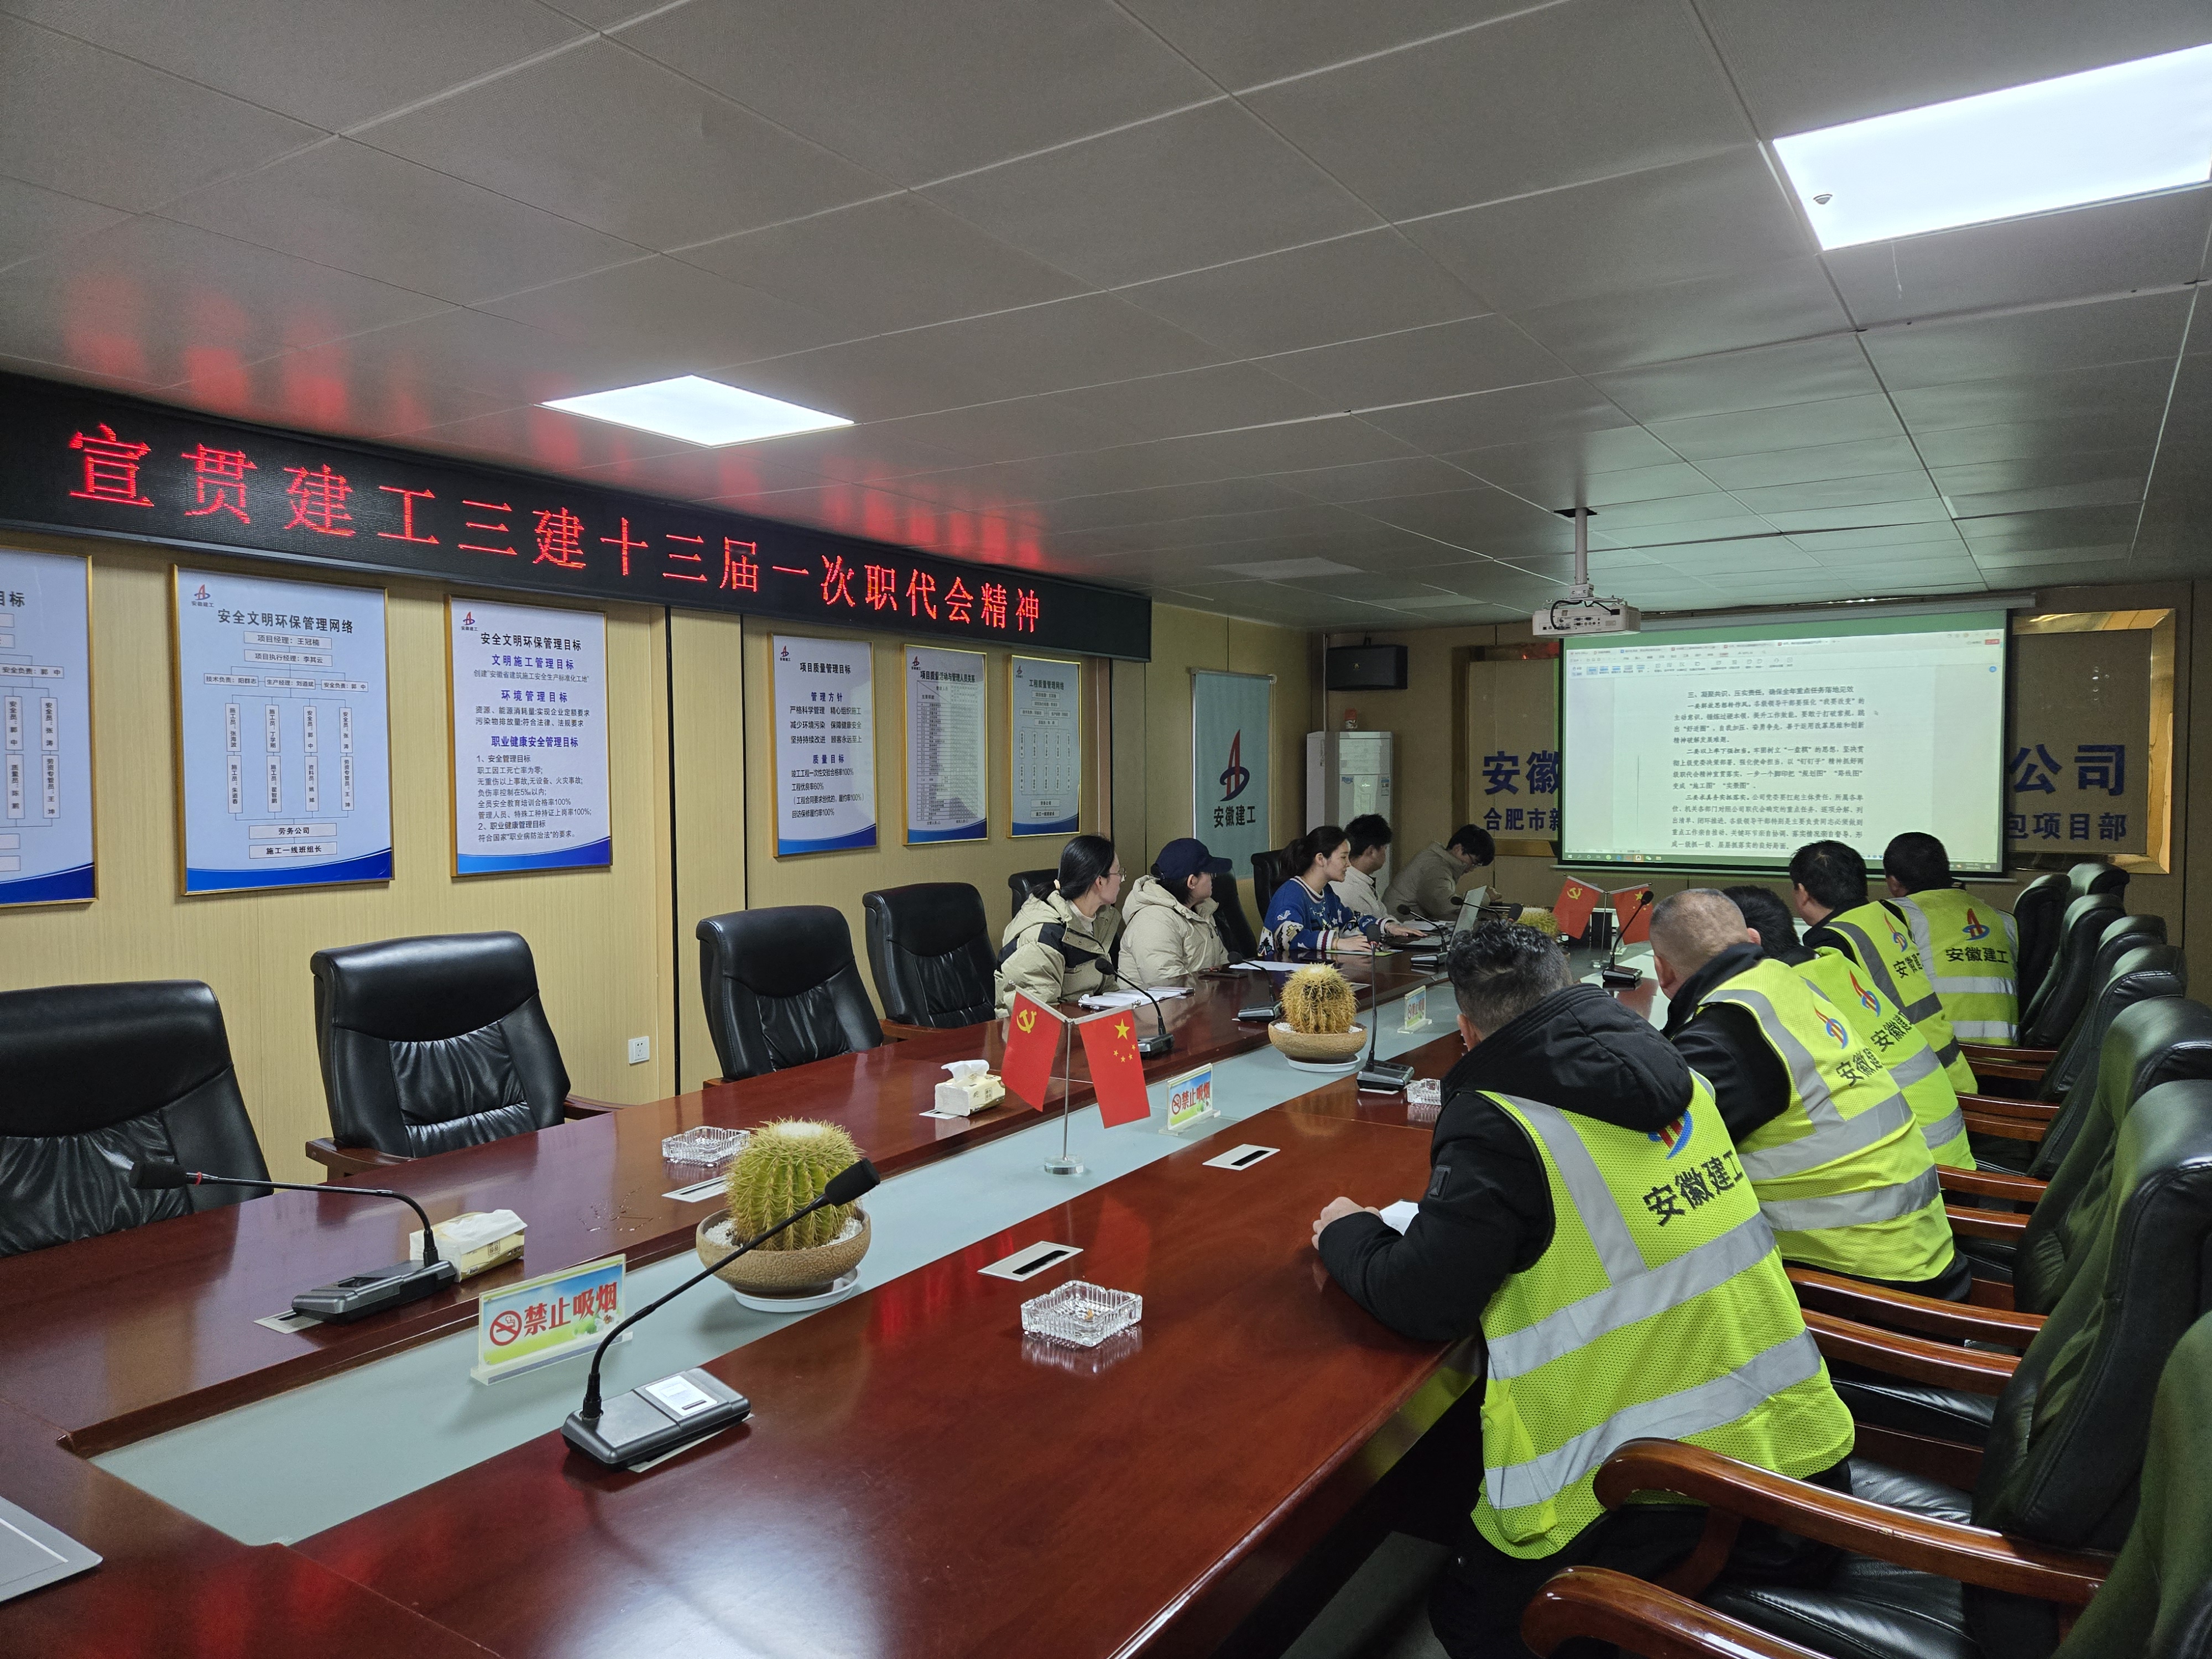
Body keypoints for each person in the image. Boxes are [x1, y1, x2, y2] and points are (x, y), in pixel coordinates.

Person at [1312, 922, 1854, 1658]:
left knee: (1471, 1620)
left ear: (1466, 1031)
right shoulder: (1676, 1067)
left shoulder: (1501, 1122)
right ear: (1568, 989)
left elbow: (1423, 1299)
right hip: (1797, 1455)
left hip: (1667, 1493)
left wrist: (1347, 1231)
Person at [1650, 889, 1967, 1299]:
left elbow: (1658, 1152)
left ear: (1662, 971)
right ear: (1752, 939)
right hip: (1922, 1243)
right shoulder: (1786, 982)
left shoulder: (1724, 1034)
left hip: (1865, 1289)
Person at [1726, 884, 1971, 1171]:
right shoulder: (1834, 964)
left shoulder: (1781, 998)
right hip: (1949, 1150)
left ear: (1750, 941)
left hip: (1923, 1172)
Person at [1791, 840, 1974, 1093]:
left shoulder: (1832, 943)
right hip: (1954, 1071)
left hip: (1917, 1088)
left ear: (1802, 893)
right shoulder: (1891, 915)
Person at [1884, 832, 2020, 1044]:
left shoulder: (1894, 917)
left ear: (1894, 883)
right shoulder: (2005, 921)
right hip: (2003, 1052)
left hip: (1944, 1054)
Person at [995, 834, 1123, 1013]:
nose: (1122, 879)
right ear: (1100, 881)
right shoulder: (1042, 939)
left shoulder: (1097, 922)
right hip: (1044, 1028)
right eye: (1119, 873)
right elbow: (1040, 1019)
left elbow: (1108, 993)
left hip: (1083, 1026)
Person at [1265, 826, 1418, 954]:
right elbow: (1288, 938)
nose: (1349, 864)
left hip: (1318, 971)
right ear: (1321, 859)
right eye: (1343, 857)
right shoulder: (1291, 894)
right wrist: (1337, 943)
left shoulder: (1327, 892)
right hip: (1285, 975)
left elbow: (1350, 921)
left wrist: (1388, 927)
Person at [1119, 837, 1231, 987]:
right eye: (1210, 873)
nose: (1213, 878)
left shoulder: (1202, 910)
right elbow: (1169, 987)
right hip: (1159, 1002)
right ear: (1192, 881)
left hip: (1200, 1000)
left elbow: (1223, 966)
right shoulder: (1154, 921)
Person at [1383, 823, 1494, 922]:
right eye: (1474, 862)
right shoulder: (1436, 866)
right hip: (1396, 929)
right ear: (1458, 849)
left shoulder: (1438, 861)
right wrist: (1483, 898)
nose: (1472, 869)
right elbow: (1444, 906)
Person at [1332, 813, 1393, 920]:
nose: (1385, 853)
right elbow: (1372, 926)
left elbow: (1384, 919)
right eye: (1385, 848)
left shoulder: (1360, 880)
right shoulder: (1348, 890)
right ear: (1372, 851)